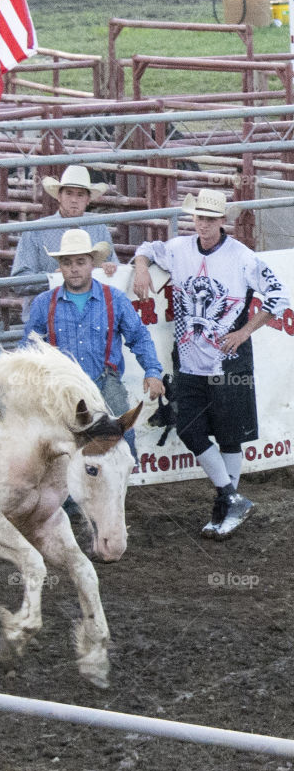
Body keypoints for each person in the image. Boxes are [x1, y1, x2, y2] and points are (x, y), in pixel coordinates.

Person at [132, 188, 291, 539]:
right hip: (189, 361)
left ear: (222, 221)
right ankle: (231, 497)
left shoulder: (243, 257)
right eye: (198, 217)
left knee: (229, 434)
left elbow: (279, 296)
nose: (202, 224)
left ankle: (225, 508)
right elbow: (145, 249)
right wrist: (141, 268)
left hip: (228, 359)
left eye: (210, 219)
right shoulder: (178, 249)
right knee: (189, 427)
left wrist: (245, 331)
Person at [22, 229, 164, 456]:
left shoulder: (114, 299)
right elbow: (29, 347)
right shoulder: (44, 303)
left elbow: (139, 336)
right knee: (60, 443)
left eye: (80, 262)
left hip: (104, 381)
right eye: (67, 263)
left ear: (92, 264)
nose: (74, 268)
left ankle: (122, 485)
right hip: (62, 386)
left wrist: (153, 371)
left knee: (124, 435)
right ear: (60, 266)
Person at [11, 165, 118, 319]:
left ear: (88, 200)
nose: (74, 200)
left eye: (80, 195)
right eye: (69, 193)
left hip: (90, 315)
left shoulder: (99, 228)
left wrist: (108, 269)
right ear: (59, 196)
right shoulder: (35, 230)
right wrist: (52, 279)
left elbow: (114, 267)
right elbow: (19, 282)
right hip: (47, 315)